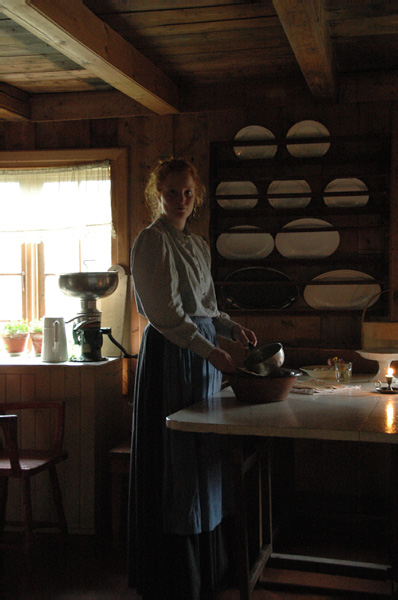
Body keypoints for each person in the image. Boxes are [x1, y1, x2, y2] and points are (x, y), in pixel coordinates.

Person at [128, 157, 257, 599]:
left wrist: (230, 328)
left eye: (187, 193)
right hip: (172, 356)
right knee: (178, 459)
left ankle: (209, 565)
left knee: (205, 456)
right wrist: (209, 348)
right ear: (157, 194)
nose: (180, 200)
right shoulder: (151, 242)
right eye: (171, 192)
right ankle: (176, 575)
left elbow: (205, 306)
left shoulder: (198, 245)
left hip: (203, 356)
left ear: (195, 195)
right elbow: (167, 315)